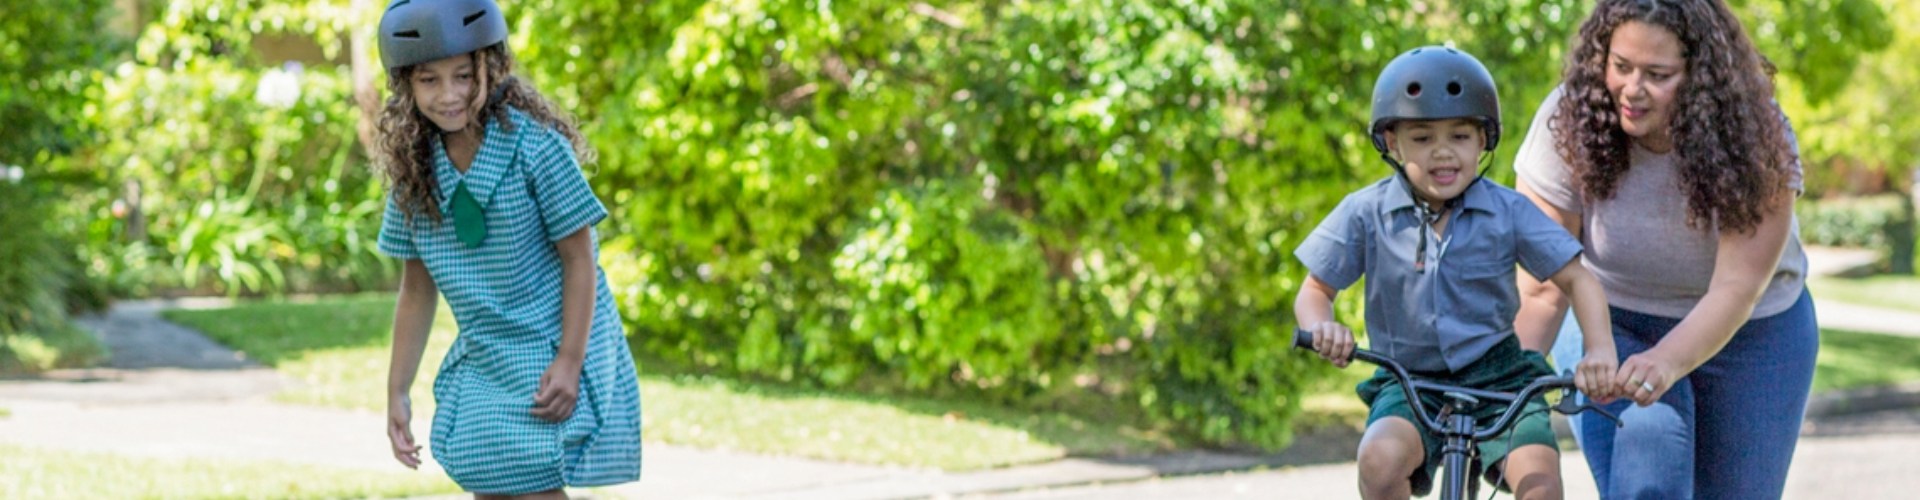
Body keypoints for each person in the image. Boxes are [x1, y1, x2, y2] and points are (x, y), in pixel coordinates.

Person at [1510, 0, 1816, 498]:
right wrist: (1504, 381)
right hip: (1613, 322)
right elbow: (1543, 287)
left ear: (1700, 76)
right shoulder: (1568, 122)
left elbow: (1737, 288)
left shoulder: (1757, 136)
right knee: (1648, 466)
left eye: (1658, 74)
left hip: (1753, 333)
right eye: (1621, 66)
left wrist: (1667, 361)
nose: (1632, 90)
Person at [1294, 46, 1623, 500]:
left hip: (1500, 377)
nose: (1443, 153)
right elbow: (1315, 288)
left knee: (1540, 484)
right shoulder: (1365, 213)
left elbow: (1578, 279)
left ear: (1483, 141)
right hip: (1408, 379)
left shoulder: (1508, 210)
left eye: (1460, 137)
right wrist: (1321, 325)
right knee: (1379, 459)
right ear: (1392, 142)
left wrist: (1600, 350)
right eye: (1423, 138)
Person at [372, 0, 642, 497]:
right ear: (405, 85)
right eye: (429, 80)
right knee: (486, 470)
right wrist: (397, 390)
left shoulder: (535, 148)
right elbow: (416, 289)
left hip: (551, 336)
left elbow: (581, 257)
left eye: (463, 75)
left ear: (489, 68)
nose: (449, 95)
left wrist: (569, 359)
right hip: (487, 351)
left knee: (531, 477)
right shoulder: (415, 174)